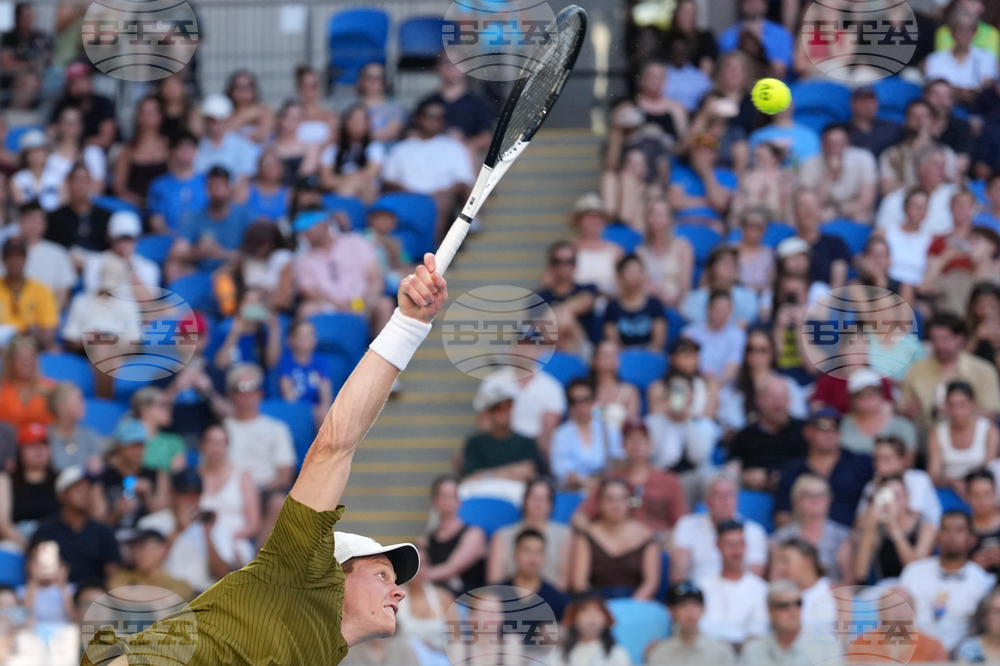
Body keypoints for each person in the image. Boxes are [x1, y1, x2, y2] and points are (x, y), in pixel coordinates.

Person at [85, 255, 448, 666]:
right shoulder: (295, 569)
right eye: (382, 574)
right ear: (331, 572)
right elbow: (334, 445)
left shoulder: (321, 652)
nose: (398, 590)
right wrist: (407, 325)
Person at [136, 469, 245, 595]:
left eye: (196, 494)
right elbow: (144, 566)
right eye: (185, 494)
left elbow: (223, 574)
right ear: (172, 493)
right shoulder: (151, 523)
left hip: (203, 594)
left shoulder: (213, 527)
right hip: (167, 593)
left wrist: (207, 535)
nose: (191, 500)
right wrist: (179, 530)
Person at [899, 510, 996, 652]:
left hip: (961, 657)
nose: (952, 536)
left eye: (959, 530)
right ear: (937, 537)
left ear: (972, 539)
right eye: (946, 529)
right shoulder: (914, 572)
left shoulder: (983, 581)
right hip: (912, 653)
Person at [573, 421, 688, 536]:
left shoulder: (669, 481)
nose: (637, 444)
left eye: (641, 439)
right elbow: (581, 517)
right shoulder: (611, 480)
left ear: (650, 444)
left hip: (659, 544)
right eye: (631, 439)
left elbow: (683, 524)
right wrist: (599, 539)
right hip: (617, 544)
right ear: (622, 445)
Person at [222, 363, 295, 543]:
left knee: (279, 502)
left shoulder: (277, 429)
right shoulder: (221, 429)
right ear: (231, 394)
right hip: (228, 490)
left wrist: (254, 490)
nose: (247, 394)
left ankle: (257, 562)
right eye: (240, 388)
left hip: (264, 490)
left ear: (260, 393)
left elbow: (284, 475)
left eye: (252, 388)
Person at [381, 99, 475, 234]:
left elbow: (464, 180)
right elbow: (388, 179)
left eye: (438, 118)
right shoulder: (401, 148)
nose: (433, 121)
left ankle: (434, 252)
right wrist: (405, 190)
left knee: (439, 204)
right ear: (419, 119)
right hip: (406, 195)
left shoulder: (454, 147)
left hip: (440, 197)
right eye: (430, 117)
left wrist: (447, 191)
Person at [291, 208, 391, 331]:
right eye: (303, 232)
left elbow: (374, 277)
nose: (305, 235)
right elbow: (309, 291)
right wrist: (339, 305)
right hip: (329, 305)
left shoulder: (355, 242)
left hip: (362, 301)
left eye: (308, 230)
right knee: (306, 310)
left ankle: (381, 350)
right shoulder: (304, 259)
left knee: (384, 305)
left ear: (323, 226)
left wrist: (367, 298)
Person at [773, 408, 873, 529]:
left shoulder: (862, 463)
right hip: (805, 542)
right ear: (807, 431)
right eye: (822, 426)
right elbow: (782, 515)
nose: (829, 432)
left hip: (855, 540)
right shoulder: (792, 470)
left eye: (835, 426)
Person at [900, 313, 1000, 431]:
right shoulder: (916, 369)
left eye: (945, 339)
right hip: (925, 432)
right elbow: (901, 408)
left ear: (960, 339)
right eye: (934, 339)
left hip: (969, 433)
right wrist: (909, 411)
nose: (939, 345)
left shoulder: (983, 370)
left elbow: (993, 413)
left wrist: (959, 412)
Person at [569, 477, 659, 599]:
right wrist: (600, 608)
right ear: (599, 502)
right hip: (595, 605)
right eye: (609, 499)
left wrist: (631, 606)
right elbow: (579, 582)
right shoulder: (586, 535)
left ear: (629, 502)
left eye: (621, 498)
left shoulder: (646, 536)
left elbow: (650, 582)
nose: (615, 504)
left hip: (635, 605)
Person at [31, 466, 120, 586]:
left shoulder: (104, 532)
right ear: (62, 495)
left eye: (88, 489)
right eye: (78, 488)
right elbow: (43, 577)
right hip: (57, 593)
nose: (85, 494)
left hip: (95, 595)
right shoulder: (46, 531)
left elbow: (113, 572)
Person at [671, 475, 768, 582]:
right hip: (697, 593)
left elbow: (754, 578)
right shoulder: (687, 525)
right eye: (718, 495)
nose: (725, 501)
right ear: (706, 501)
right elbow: (679, 574)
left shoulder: (754, 532)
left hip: (737, 591)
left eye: (729, 494)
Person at [472, 350, 566, 459]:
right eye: (500, 409)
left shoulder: (551, 385)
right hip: (497, 445)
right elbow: (484, 421)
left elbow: (548, 431)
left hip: (534, 449)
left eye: (529, 345)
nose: (524, 349)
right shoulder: (493, 381)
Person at [725, 374, 807, 491]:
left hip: (797, 494)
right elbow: (731, 469)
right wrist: (744, 477)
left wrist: (787, 476)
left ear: (789, 400)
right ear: (758, 400)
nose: (778, 404)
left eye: (783, 397)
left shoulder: (805, 430)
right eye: (772, 397)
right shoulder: (745, 435)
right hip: (755, 494)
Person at [486, 478, 571, 589]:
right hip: (510, 599)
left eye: (544, 499)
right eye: (534, 498)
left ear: (551, 505)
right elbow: (494, 580)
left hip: (550, 600)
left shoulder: (564, 534)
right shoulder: (502, 535)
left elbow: (563, 581)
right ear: (524, 501)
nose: (538, 503)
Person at [170, 165, 254, 276]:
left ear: (229, 188)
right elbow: (177, 252)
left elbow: (255, 251)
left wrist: (218, 253)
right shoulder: (193, 216)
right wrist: (198, 252)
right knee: (172, 265)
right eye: (212, 186)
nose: (217, 190)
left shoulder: (244, 214)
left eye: (221, 186)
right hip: (199, 272)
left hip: (232, 272)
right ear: (206, 189)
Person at [718, 330, 808, 433]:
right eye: (751, 349)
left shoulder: (786, 383)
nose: (756, 354)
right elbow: (729, 422)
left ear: (772, 352)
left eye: (762, 350)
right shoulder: (736, 388)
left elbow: (799, 416)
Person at [696, 520, 769, 647]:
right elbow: (698, 628)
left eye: (740, 544)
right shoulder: (701, 586)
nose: (736, 552)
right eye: (729, 545)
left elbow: (758, 633)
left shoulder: (761, 589)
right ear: (718, 545)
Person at [853, 474, 937, 583]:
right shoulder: (878, 529)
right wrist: (869, 527)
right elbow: (859, 573)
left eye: (896, 496)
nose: (890, 502)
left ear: (908, 498)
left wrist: (895, 528)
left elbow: (916, 571)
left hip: (917, 588)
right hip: (886, 588)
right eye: (886, 497)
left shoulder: (925, 526)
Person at [771, 475, 852, 584]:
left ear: (829, 499)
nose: (816, 500)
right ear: (796, 501)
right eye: (808, 495)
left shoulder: (842, 536)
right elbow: (776, 580)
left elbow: (849, 582)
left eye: (821, 495)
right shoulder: (783, 536)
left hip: (830, 597)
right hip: (793, 597)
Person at [92, 419, 170, 531]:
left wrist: (147, 495)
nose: (137, 450)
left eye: (141, 445)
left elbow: (165, 517)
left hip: (149, 540)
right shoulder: (103, 479)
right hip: (115, 540)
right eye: (132, 445)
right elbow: (96, 527)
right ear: (119, 447)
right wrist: (116, 512)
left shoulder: (157, 474)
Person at [197, 425, 258, 565]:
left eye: (220, 443)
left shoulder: (242, 475)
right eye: (211, 442)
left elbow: (253, 524)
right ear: (202, 445)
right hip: (201, 539)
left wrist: (227, 539)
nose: (216, 448)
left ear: (227, 446)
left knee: (225, 551)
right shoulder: (194, 476)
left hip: (236, 540)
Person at [419, 475, 486, 597]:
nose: (447, 501)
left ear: (459, 500)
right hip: (437, 599)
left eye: (451, 496)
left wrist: (419, 576)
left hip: (467, 600)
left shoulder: (474, 533)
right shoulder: (427, 539)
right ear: (434, 500)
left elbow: (451, 568)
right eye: (442, 496)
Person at [927, 381, 1000, 492]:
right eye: (951, 406)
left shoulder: (989, 431)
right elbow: (933, 474)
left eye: (962, 405)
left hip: (981, 490)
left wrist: (970, 486)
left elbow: (989, 469)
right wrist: (953, 482)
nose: (956, 411)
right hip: (949, 489)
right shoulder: (937, 433)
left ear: (972, 404)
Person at [550, 379, 624, 489]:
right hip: (574, 491)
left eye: (585, 399)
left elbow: (619, 463)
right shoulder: (561, 435)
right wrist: (583, 482)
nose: (580, 405)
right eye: (574, 401)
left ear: (594, 400)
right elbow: (561, 469)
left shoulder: (610, 431)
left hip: (605, 489)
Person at [856, 436, 942, 529]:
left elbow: (908, 525)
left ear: (902, 460)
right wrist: (875, 495)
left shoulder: (918, 479)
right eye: (876, 459)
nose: (879, 464)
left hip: (918, 535)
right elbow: (859, 524)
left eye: (887, 459)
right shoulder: (871, 485)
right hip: (885, 536)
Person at [798, 125, 878, 224]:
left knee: (861, 217)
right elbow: (812, 204)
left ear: (848, 144)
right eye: (831, 144)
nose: (835, 148)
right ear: (822, 145)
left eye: (840, 144)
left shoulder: (864, 158)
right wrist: (830, 176)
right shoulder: (809, 164)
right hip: (823, 212)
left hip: (851, 211)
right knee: (813, 217)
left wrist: (837, 212)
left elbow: (866, 201)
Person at [418, 55, 496, 155]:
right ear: (438, 67)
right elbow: (412, 134)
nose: (451, 67)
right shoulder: (426, 102)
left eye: (457, 63)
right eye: (446, 63)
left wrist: (461, 147)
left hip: (464, 160)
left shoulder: (478, 104)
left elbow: (488, 138)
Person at [848, 586, 948, 663]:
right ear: (880, 612)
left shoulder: (933, 647)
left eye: (905, 607)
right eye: (892, 607)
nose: (899, 613)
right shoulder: (860, 646)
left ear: (914, 611)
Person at [462, 383, 539, 482]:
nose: (505, 412)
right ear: (489, 413)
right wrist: (512, 471)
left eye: (508, 407)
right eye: (499, 409)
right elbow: (472, 478)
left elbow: (528, 474)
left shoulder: (527, 442)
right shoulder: (475, 444)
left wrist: (488, 474)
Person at [647, 582, 737, 666]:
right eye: (683, 605)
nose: (690, 611)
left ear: (703, 609)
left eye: (695, 605)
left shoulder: (720, 651)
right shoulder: (660, 653)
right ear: (671, 610)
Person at [0, 423, 59, 549]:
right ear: (20, 451)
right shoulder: (6, 480)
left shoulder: (61, 480)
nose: (39, 450)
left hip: (56, 544)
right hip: (18, 544)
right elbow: (3, 524)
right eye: (32, 445)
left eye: (43, 444)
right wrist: (30, 551)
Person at [877, 145, 958, 236]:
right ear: (920, 168)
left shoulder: (954, 196)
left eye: (943, 166)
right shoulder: (894, 200)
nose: (941, 170)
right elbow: (881, 237)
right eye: (936, 165)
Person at [839, 368, 919, 455]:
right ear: (852, 398)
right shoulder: (842, 425)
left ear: (882, 393)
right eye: (862, 393)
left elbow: (908, 460)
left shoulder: (902, 425)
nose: (869, 396)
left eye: (874, 390)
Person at [11, 200, 74, 309]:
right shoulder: (8, 252)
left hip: (47, 315)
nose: (32, 226)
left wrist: (48, 318)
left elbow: (63, 294)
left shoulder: (58, 253)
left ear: (44, 225)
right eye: (28, 221)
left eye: (36, 221)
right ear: (20, 222)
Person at [668, 133, 737, 230]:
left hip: (711, 226)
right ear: (692, 153)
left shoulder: (727, 175)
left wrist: (705, 171)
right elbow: (674, 202)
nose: (702, 155)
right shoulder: (680, 172)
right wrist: (708, 202)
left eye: (708, 151)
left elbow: (721, 204)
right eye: (699, 151)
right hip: (682, 224)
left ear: (715, 154)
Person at [926, 10, 998, 101]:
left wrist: (956, 90)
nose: (964, 34)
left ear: (975, 32)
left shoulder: (987, 57)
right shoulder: (935, 59)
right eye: (960, 29)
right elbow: (936, 89)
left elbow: (987, 86)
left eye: (969, 29)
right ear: (951, 32)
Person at [636, 198, 695, 309]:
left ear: (669, 219)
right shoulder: (640, 252)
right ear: (647, 218)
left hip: (676, 305)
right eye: (654, 214)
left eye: (662, 214)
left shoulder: (683, 247)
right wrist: (659, 294)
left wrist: (672, 301)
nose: (658, 218)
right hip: (648, 304)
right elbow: (642, 284)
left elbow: (685, 286)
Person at [681, 245, 759, 328]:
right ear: (712, 268)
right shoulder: (694, 298)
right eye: (724, 263)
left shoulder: (749, 297)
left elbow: (745, 323)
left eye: (733, 263)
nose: (730, 267)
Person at [111, 96, 169, 209]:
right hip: (134, 207)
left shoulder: (168, 147)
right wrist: (139, 202)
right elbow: (118, 187)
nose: (148, 116)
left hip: (164, 206)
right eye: (144, 112)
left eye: (152, 112)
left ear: (160, 116)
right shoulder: (127, 150)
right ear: (137, 116)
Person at [108, 526, 194, 601]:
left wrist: (135, 592)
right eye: (133, 548)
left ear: (162, 549)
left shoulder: (180, 584)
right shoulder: (122, 577)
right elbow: (116, 591)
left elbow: (173, 601)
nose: (136, 553)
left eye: (142, 547)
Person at [147, 131, 209, 234]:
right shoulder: (159, 185)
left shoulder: (207, 182)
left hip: (203, 242)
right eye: (182, 148)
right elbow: (156, 222)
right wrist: (177, 240)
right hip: (168, 243)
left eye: (190, 148)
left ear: (196, 151)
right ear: (173, 151)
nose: (186, 152)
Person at [739, 580, 813, 666]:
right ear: (770, 611)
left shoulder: (823, 648)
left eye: (798, 603)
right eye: (784, 605)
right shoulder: (753, 652)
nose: (793, 611)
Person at [501, 528, 570, 621]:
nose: (533, 557)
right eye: (527, 550)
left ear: (544, 556)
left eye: (538, 551)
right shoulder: (495, 596)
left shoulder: (558, 600)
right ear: (515, 554)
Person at [0, 237, 58, 347]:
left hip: (31, 347)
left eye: (19, 257)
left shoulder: (42, 290)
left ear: (26, 259)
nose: (15, 262)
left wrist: (22, 335)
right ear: (3, 260)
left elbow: (48, 331)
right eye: (11, 257)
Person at [277, 318, 335, 428]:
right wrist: (306, 411)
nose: (306, 339)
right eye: (301, 336)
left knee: (324, 414)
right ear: (291, 340)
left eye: (310, 335)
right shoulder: (286, 361)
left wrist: (324, 408)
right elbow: (287, 392)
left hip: (318, 409)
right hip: (297, 407)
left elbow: (325, 390)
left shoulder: (321, 361)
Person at [681, 290, 747, 387]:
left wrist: (714, 385)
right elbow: (683, 364)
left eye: (725, 309)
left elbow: (732, 368)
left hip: (724, 389)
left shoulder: (738, 335)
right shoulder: (689, 333)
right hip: (693, 386)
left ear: (731, 311)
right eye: (718, 308)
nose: (721, 313)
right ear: (708, 308)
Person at [320, 105, 384, 202]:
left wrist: (349, 181)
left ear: (368, 124)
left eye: (361, 120)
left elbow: (369, 174)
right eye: (353, 119)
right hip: (340, 190)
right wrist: (350, 182)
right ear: (345, 123)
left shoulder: (375, 148)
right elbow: (326, 181)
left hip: (366, 193)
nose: (357, 124)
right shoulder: (332, 150)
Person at [549, 593, 633, 666]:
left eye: (597, 611)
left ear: (606, 618)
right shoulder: (560, 655)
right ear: (573, 618)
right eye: (585, 611)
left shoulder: (617, 654)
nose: (592, 617)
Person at [48, 62, 117, 151]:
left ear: (90, 81)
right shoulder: (62, 104)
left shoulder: (103, 103)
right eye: (74, 82)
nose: (79, 86)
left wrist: (78, 143)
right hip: (69, 151)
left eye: (82, 80)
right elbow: (51, 133)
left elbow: (105, 140)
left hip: (100, 152)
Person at [791, 189, 851, 289]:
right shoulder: (787, 246)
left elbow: (837, 285)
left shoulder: (836, 244)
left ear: (819, 210)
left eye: (813, 205)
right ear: (795, 213)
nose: (808, 210)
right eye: (803, 205)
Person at [194, 94, 260, 184]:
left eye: (218, 119)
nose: (213, 124)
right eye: (210, 119)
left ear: (228, 119)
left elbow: (244, 182)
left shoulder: (243, 146)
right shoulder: (197, 146)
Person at [45, 162, 111, 252]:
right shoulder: (54, 218)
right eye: (76, 180)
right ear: (68, 183)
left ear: (90, 183)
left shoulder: (105, 217)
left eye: (84, 180)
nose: (80, 185)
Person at [569, 193, 625, 298]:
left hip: (607, 303)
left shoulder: (615, 251)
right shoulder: (568, 248)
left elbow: (621, 285)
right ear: (578, 221)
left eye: (597, 217)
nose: (593, 221)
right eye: (588, 217)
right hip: (574, 299)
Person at [718, 0, 793, 78]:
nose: (753, 3)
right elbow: (725, 71)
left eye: (758, 1)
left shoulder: (782, 34)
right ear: (740, 4)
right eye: (748, 1)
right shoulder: (727, 37)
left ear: (765, 4)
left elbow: (781, 69)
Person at [770, 539, 834, 628]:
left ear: (807, 561)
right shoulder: (782, 597)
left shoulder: (835, 592)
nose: (780, 568)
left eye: (786, 561)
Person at [46, 383, 102, 473]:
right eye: (79, 400)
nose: (83, 404)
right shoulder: (45, 437)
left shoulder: (90, 436)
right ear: (61, 407)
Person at [884, 189, 934, 288]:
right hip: (888, 286)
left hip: (917, 289)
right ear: (905, 208)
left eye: (923, 207)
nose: (920, 210)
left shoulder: (930, 239)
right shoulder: (887, 233)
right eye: (916, 206)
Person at [0, 335, 54, 429]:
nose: (26, 363)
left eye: (30, 357)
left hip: (44, 441)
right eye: (21, 358)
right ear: (11, 362)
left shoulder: (50, 389)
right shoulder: (2, 389)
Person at [130, 387, 186, 473]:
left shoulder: (174, 442)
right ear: (145, 410)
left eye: (169, 405)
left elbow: (177, 480)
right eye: (163, 405)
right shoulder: (127, 440)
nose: (169, 410)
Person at [591, 339, 641, 434]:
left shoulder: (630, 391)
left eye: (614, 354)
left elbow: (630, 428)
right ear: (595, 360)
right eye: (605, 355)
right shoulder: (585, 390)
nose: (611, 358)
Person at [0, 4, 52, 92]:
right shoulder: (9, 37)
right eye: (25, 17)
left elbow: (47, 58)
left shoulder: (39, 37)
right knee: (30, 82)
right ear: (17, 18)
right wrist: (29, 65)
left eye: (31, 16)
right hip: (13, 78)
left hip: (40, 76)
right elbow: (6, 63)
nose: (29, 20)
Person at [268, 100, 320, 186]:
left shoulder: (311, 147)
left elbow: (304, 175)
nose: (292, 121)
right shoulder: (270, 148)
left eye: (296, 117)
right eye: (288, 116)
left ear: (301, 120)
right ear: (280, 118)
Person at [353, 62, 407, 143]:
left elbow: (391, 133)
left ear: (384, 81)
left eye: (378, 78)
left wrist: (357, 135)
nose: (373, 81)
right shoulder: (350, 105)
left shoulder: (396, 107)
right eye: (369, 77)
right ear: (360, 80)